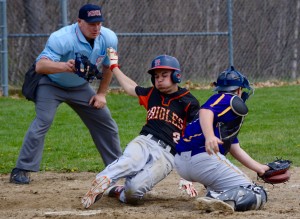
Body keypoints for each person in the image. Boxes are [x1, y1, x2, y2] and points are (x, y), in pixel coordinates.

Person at [10, 4, 122, 184]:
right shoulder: (62, 38)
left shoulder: (109, 38)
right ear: (79, 22)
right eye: (91, 23)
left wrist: (101, 94)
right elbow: (41, 66)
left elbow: (110, 65)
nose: (96, 28)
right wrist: (65, 66)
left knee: (105, 121)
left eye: (99, 23)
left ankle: (118, 167)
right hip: (51, 84)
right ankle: (21, 169)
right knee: (43, 120)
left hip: (79, 87)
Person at [81, 48, 201, 208]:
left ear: (176, 76)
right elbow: (131, 87)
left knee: (133, 193)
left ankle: (117, 190)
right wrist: (114, 67)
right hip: (145, 141)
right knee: (130, 161)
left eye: (164, 75)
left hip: (167, 155)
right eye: (156, 76)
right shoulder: (152, 94)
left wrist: (188, 175)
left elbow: (195, 136)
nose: (159, 79)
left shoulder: (189, 102)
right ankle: (103, 180)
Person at [174, 66, 270, 212]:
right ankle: (217, 198)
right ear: (239, 90)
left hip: (182, 163)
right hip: (203, 160)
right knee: (254, 193)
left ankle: (216, 193)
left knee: (234, 187)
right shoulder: (228, 99)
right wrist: (210, 137)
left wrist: (260, 168)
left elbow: (234, 148)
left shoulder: (220, 112)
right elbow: (205, 111)